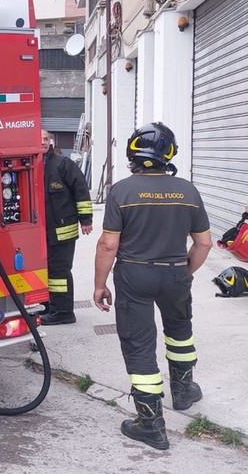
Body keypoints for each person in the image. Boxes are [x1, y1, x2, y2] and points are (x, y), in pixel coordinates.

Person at [92, 122, 212, 450]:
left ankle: (151, 424)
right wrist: (184, 272)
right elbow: (204, 243)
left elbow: (108, 245)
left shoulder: (122, 191)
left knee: (139, 344)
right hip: (175, 274)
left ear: (132, 153)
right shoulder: (188, 191)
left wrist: (100, 284)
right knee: (180, 332)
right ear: (168, 154)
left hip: (134, 275)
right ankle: (184, 392)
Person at [40, 129, 93, 325]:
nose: (43, 142)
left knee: (59, 272)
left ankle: (63, 312)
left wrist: (86, 220)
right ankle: (48, 305)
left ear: (51, 142)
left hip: (62, 231)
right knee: (44, 270)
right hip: (41, 232)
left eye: (46, 139)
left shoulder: (63, 164)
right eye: (40, 139)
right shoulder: (31, 163)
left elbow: (81, 191)